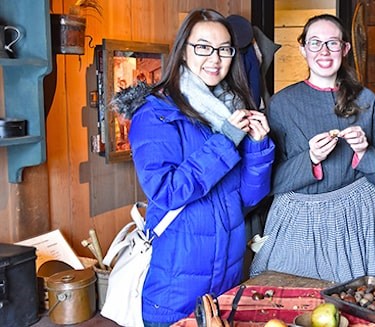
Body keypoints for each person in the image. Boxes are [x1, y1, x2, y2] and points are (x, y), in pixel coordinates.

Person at [110, 8, 275, 326]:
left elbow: (247, 199)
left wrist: (257, 146)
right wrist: (226, 141)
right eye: (203, 47)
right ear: (182, 51)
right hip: (174, 280)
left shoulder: (231, 109)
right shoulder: (156, 115)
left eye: (225, 49)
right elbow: (167, 191)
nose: (215, 58)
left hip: (226, 274)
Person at [249, 14, 375, 283]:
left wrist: (365, 152)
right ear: (302, 49)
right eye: (315, 43)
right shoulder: (282, 104)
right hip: (299, 219)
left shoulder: (366, 101)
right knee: (291, 299)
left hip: (359, 217)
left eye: (332, 43)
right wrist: (311, 159)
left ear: (345, 49)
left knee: (360, 306)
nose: (324, 51)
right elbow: (271, 181)